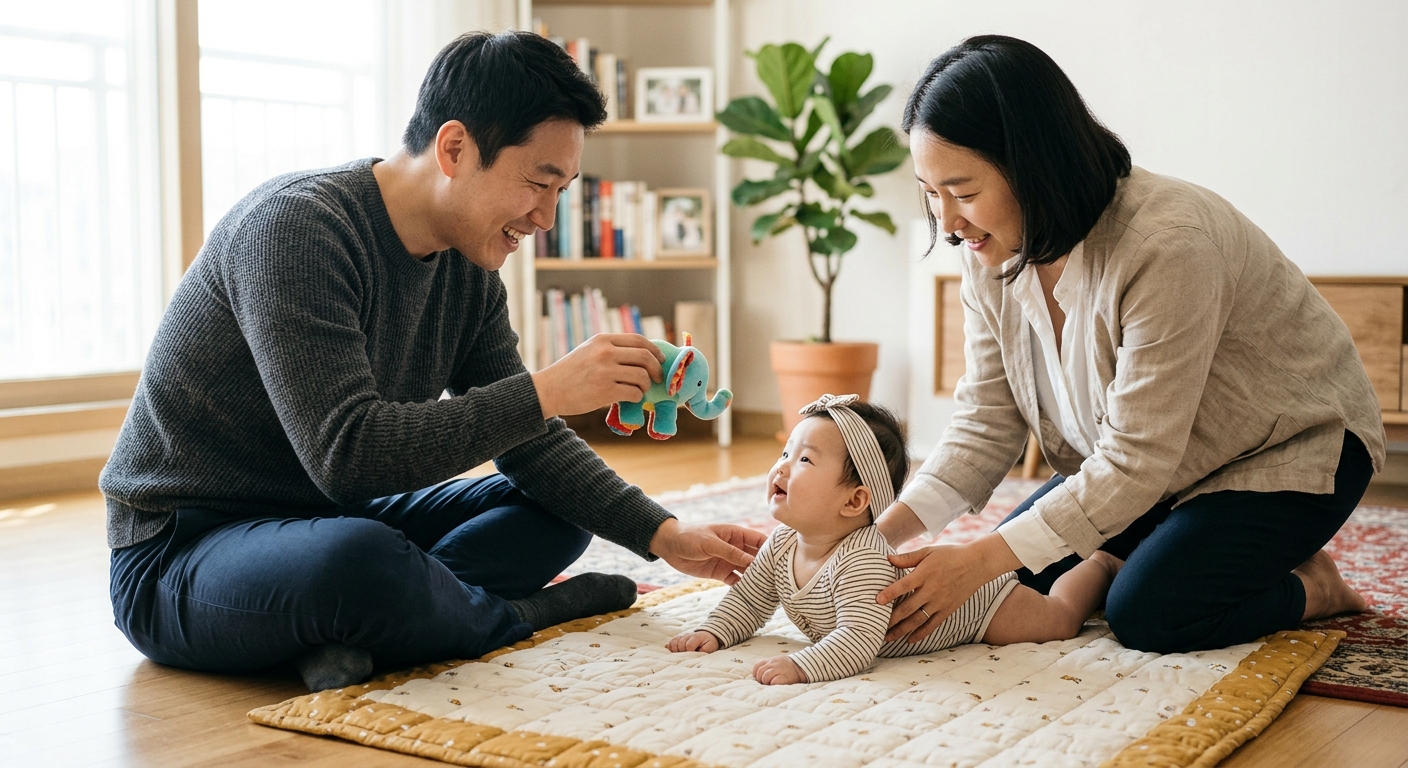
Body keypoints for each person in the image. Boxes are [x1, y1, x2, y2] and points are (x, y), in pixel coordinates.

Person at [100, 30, 765, 692]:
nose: (545, 217)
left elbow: (528, 446)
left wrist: (664, 534)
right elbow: (348, 457)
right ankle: (507, 617)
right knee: (357, 560)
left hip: (326, 521)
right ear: (454, 148)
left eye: (562, 191)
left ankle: (375, 624)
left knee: (555, 509)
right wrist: (548, 389)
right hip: (180, 554)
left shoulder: (468, 271)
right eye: (540, 182)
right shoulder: (296, 230)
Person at [874, 35, 1385, 655]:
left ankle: (1314, 586)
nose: (948, 222)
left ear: (1034, 163)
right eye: (931, 193)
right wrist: (878, 535)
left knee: (1151, 613)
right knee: (1007, 582)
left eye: (963, 190)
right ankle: (1147, 550)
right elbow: (986, 424)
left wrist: (976, 558)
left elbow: (1135, 461)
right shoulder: (991, 251)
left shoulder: (1169, 244)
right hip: (1160, 467)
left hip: (1289, 449)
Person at [668, 394, 1122, 685]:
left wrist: (803, 665)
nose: (781, 467)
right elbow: (749, 600)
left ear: (855, 501)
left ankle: (1100, 564)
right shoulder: (782, 543)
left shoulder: (862, 563)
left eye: (804, 459)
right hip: (952, 600)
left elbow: (859, 640)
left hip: (978, 608)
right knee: (1041, 591)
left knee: (1056, 619)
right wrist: (714, 630)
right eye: (785, 452)